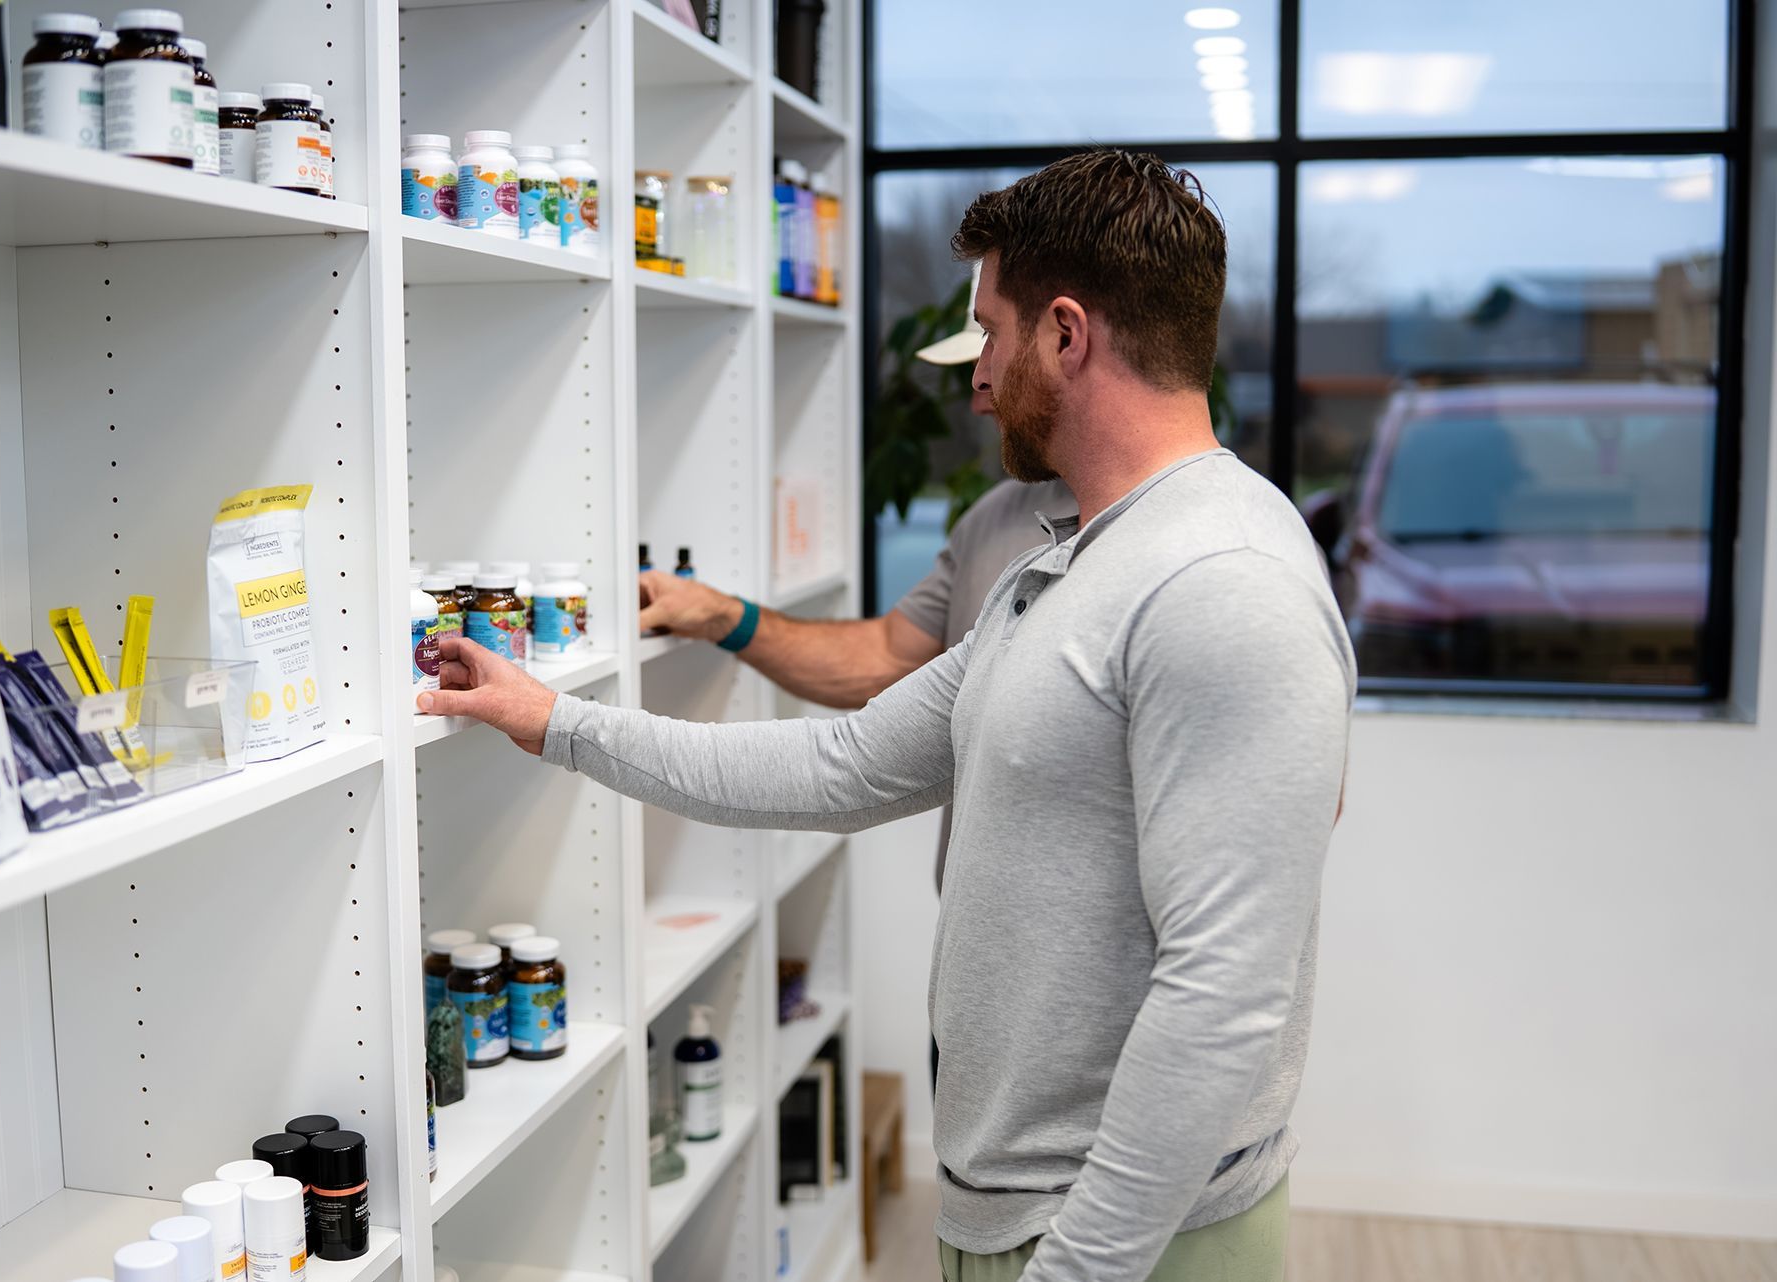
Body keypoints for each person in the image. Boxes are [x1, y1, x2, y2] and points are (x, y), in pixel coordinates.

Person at [420, 149, 1354, 1282]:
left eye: (993, 333)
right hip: (1013, 1215)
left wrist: (1078, 1267)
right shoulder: (1061, 566)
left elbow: (1224, 994)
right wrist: (554, 722)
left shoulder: (1224, 580)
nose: (982, 369)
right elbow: (842, 765)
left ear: (1067, 335)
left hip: (1136, 1243)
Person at [637, 261, 1074, 889]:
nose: (979, 387)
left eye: (991, 345)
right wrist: (723, 616)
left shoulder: (1192, 558)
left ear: (1065, 338)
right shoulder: (992, 521)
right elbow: (882, 668)